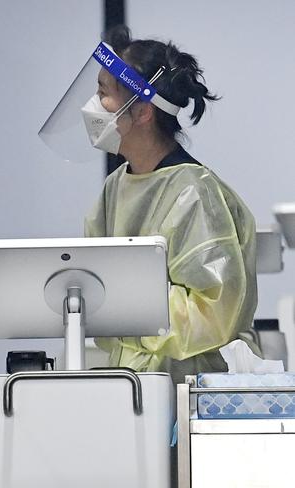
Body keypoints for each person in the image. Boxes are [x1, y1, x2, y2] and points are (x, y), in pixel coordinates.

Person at [41, 26, 258, 384]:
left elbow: (214, 314)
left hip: (188, 391)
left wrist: (122, 302)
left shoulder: (193, 192)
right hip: (134, 385)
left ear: (142, 113)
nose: (92, 107)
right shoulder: (116, 188)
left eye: (102, 93)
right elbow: (96, 291)